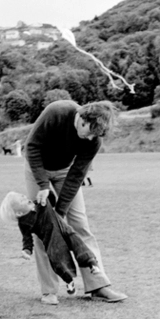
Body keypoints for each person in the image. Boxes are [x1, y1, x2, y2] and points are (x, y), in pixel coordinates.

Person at [24, 99, 127, 305]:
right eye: (88, 131)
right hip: (38, 168)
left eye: (94, 136)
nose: (89, 138)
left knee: (80, 225)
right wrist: (43, 185)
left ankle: (98, 285)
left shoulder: (94, 140)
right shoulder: (57, 112)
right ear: (82, 118)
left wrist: (60, 211)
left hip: (65, 172)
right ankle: (49, 290)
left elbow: (77, 175)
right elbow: (32, 147)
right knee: (43, 228)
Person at [0, 190, 102, 297]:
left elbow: (52, 201)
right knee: (58, 261)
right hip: (52, 239)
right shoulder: (24, 223)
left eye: (23, 196)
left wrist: (48, 192)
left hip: (65, 229)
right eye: (22, 200)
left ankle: (92, 264)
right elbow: (27, 239)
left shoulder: (40, 202)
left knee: (78, 244)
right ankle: (69, 281)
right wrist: (27, 250)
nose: (26, 198)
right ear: (19, 213)